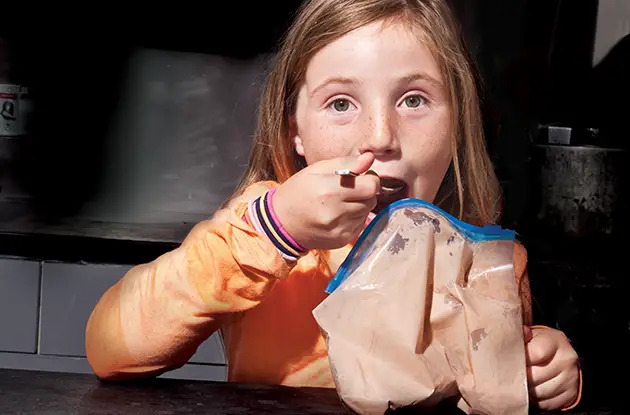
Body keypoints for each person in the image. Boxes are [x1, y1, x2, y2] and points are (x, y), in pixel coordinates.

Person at [85, 0, 582, 411]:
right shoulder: (260, 235)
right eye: (341, 103)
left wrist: (540, 370)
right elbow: (110, 350)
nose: (381, 137)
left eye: (413, 100)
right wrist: (272, 228)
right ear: (295, 130)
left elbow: (497, 382)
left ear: (457, 125)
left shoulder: (487, 265)